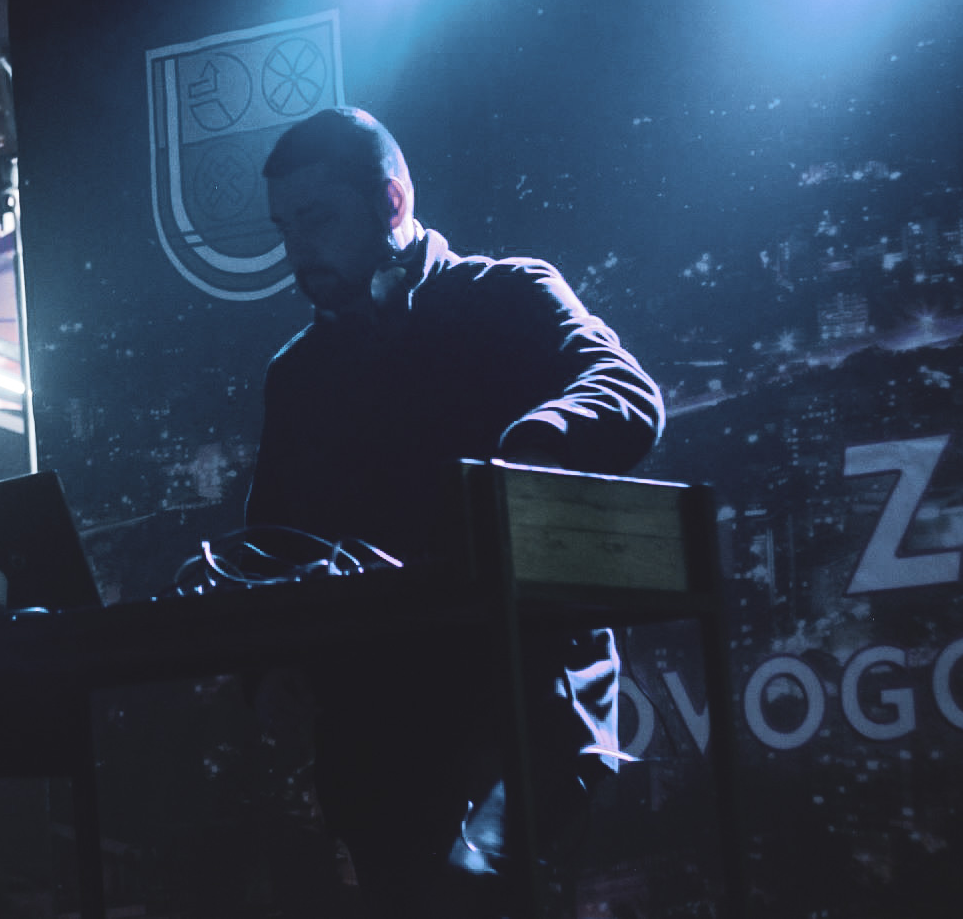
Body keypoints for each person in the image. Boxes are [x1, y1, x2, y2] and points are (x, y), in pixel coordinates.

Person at [245, 107, 665, 917]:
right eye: (285, 227)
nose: (297, 248)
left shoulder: (509, 293)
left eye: (317, 219)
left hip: (526, 708)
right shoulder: (296, 375)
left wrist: (534, 444)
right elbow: (269, 539)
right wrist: (268, 663)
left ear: (392, 202)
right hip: (378, 730)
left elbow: (626, 389)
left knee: (470, 888)